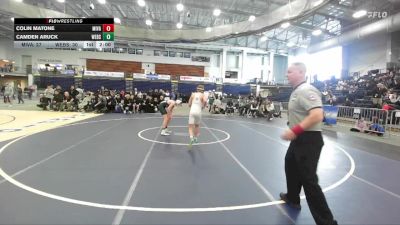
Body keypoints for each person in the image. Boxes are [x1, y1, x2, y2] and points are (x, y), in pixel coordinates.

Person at [280, 62, 338, 225]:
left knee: (309, 181)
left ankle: (327, 222)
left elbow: (317, 115)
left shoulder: (306, 90)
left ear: (300, 72)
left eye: (290, 72)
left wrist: (294, 130)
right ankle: (293, 198)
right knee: (290, 164)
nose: (287, 75)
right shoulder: (296, 91)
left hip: (308, 140)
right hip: (298, 139)